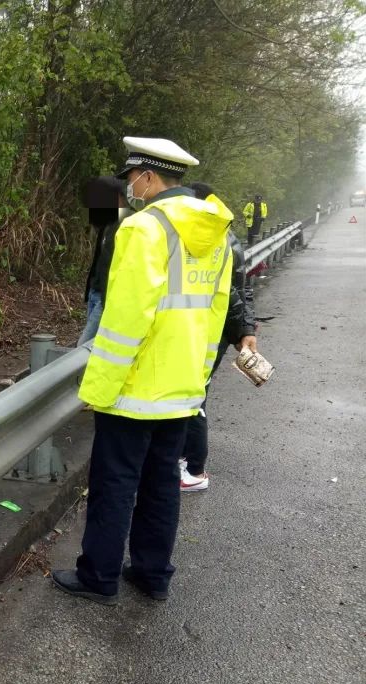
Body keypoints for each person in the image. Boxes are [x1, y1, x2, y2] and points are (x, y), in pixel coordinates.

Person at [52, 137, 233, 605]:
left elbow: (126, 320)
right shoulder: (217, 233)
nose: (130, 186)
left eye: (132, 177)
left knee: (115, 483)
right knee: (161, 484)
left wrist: (99, 387)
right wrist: (199, 379)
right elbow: (214, 314)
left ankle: (98, 577)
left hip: (134, 390)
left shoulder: (143, 230)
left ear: (149, 177)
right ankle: (153, 574)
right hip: (183, 388)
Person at [179, 182, 258, 492]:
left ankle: (194, 470)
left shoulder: (217, 242)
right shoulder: (225, 237)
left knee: (195, 399)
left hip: (213, 328)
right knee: (195, 395)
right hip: (217, 328)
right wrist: (246, 330)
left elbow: (235, 294)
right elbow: (243, 290)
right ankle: (186, 460)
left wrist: (244, 331)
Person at [78, 176, 129, 346]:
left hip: (106, 297)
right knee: (93, 345)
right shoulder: (108, 223)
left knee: (83, 346)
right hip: (95, 292)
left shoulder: (129, 223)